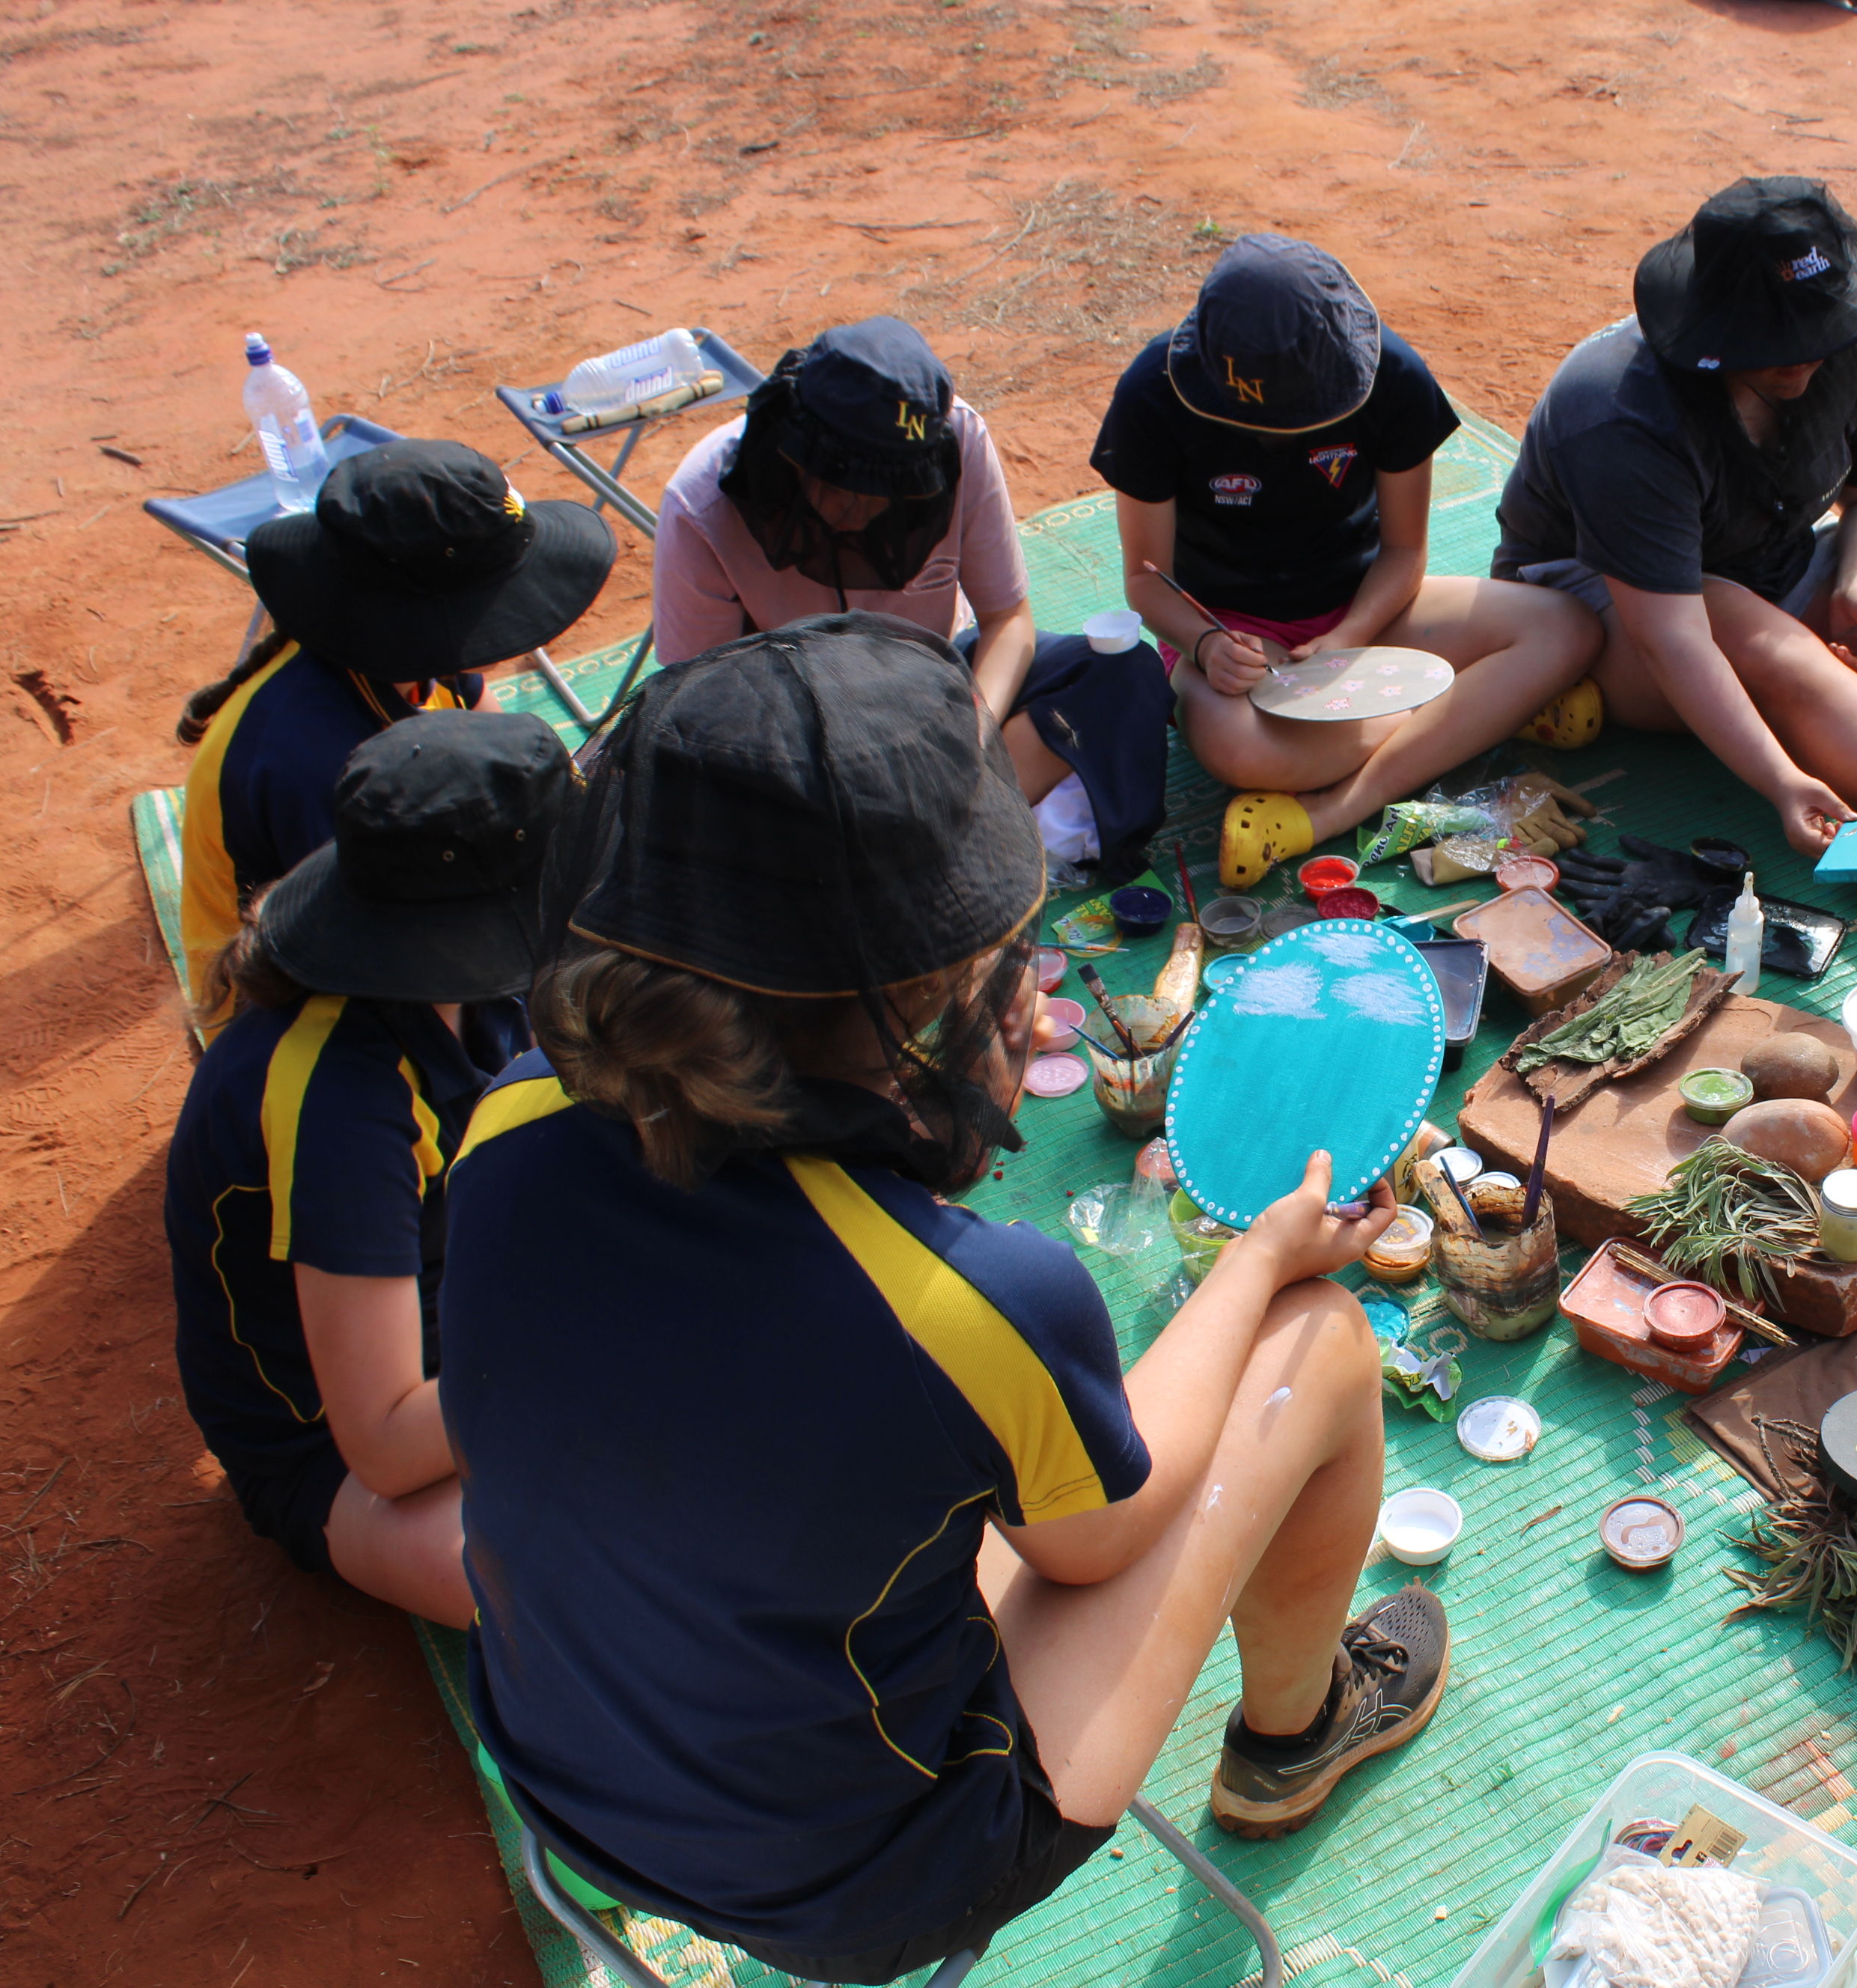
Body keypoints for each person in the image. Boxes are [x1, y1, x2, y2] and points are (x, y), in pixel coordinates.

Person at [441, 615, 1445, 1983]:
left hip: (560, 1770)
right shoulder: (966, 1296)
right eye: (999, 975)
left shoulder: (504, 1123)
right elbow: (1097, 1544)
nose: (1041, 1017)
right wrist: (1264, 1262)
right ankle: (1297, 1727)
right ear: (887, 1017)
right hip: (859, 1880)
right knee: (1317, 1349)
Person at [1494, 177, 1857, 866]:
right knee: (1751, 633)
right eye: (1777, 337)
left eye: (1818, 327)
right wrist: (1781, 781)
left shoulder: (1847, 348)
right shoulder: (1620, 408)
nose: (1807, 352)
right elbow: (1675, 637)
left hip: (1765, 570)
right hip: (1603, 617)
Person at [166, 711, 570, 1628]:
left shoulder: (467, 986)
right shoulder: (341, 1101)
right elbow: (383, 1444)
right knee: (578, 1587)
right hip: (339, 1453)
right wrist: (600, 1349)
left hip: (467, 1306)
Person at [1093, 234, 1603, 887]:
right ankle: (1485, 710)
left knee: (1569, 627)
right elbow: (1146, 580)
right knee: (1242, 751)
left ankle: (1332, 810)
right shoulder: (1153, 392)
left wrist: (1348, 639)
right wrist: (1206, 645)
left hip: (1369, 610)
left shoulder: (1391, 374)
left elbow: (1403, 551)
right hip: (1236, 638)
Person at [655, 316, 1172, 873]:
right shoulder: (703, 504)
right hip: (796, 728)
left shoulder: (959, 441)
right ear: (792, 455)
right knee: (700, 817)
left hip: (939, 684)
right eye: (838, 485)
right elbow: (701, 707)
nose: (857, 512)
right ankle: (929, 834)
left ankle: (929, 826)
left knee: (1124, 673)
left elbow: (1007, 620)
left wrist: (968, 741)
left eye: (886, 494)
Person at [177, 439, 615, 1034]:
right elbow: (393, 953)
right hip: (321, 1005)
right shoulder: (316, 766)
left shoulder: (398, 648)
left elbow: (510, 746)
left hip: (402, 922)